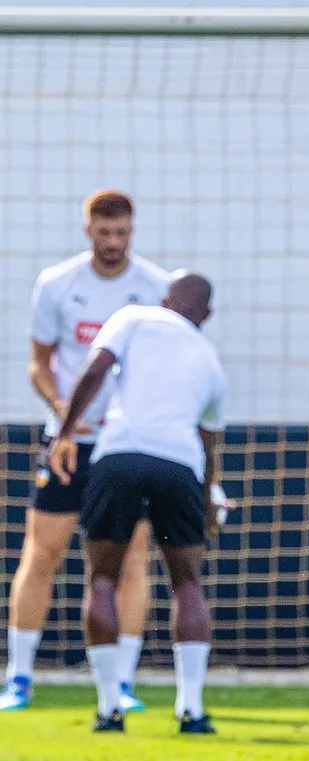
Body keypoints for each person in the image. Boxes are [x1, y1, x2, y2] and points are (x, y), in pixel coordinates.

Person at [0, 190, 171, 713]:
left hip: (126, 444)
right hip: (68, 442)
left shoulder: (154, 287)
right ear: (88, 230)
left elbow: (165, 368)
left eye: (122, 234)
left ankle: (120, 681)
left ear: (133, 231)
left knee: (132, 558)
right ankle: (19, 677)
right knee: (42, 551)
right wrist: (64, 417)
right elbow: (38, 362)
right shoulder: (58, 283)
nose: (113, 243)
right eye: (104, 233)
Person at [48, 272, 225, 734]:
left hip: (119, 455)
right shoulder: (211, 361)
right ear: (205, 315)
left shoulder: (133, 317)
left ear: (165, 299)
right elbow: (209, 446)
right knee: (187, 583)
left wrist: (65, 433)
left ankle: (109, 709)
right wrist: (207, 499)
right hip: (178, 464)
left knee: (102, 578)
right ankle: (192, 709)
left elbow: (95, 369)